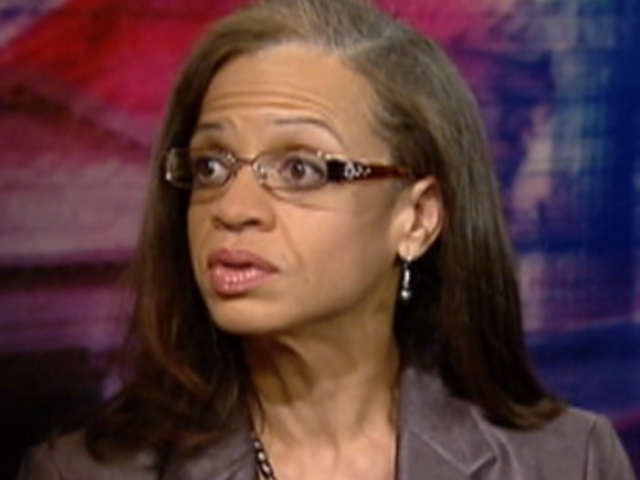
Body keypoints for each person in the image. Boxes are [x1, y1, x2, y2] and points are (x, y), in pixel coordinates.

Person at [17, 0, 636, 479]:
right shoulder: (80, 473)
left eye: (300, 169)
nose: (232, 209)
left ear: (417, 219)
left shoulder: (568, 462)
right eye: (211, 166)